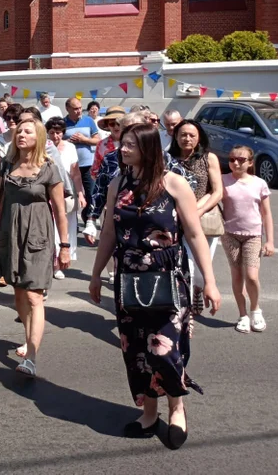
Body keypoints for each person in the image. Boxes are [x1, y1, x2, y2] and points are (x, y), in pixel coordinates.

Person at [88, 123, 221, 449]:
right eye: (124, 143)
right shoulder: (118, 183)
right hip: (129, 280)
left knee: (166, 349)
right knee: (136, 350)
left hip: (169, 277)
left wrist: (211, 281)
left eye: (131, 144)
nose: (124, 149)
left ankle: (177, 409)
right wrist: (95, 275)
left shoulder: (173, 184)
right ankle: (149, 412)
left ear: (148, 147)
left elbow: (193, 234)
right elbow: (108, 233)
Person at [0, 119, 69, 378]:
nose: (21, 134)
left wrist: (64, 245)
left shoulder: (49, 168)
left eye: (27, 131)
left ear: (39, 137)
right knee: (18, 292)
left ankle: (31, 356)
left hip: (38, 237)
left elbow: (60, 211)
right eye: (19, 130)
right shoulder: (6, 165)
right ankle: (27, 336)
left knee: (34, 296)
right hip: (11, 235)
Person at [169, 120, 223, 315]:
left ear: (199, 137)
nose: (187, 139)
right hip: (176, 221)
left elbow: (217, 192)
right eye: (183, 134)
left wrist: (196, 211)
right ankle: (187, 310)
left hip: (203, 220)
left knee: (201, 268)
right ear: (175, 136)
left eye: (192, 135)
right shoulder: (168, 159)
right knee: (187, 267)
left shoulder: (209, 158)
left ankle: (198, 289)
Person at [221, 145, 274, 333]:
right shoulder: (222, 181)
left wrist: (270, 241)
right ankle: (242, 315)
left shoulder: (259, 183)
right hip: (229, 234)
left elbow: (266, 214)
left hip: (253, 234)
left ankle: (255, 310)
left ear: (250, 162)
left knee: (251, 276)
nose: (236, 163)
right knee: (237, 275)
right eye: (232, 159)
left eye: (241, 160)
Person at [45, 118, 87, 279]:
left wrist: (81, 194)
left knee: (66, 229)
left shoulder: (70, 147)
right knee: (52, 229)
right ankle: (53, 263)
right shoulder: (43, 148)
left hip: (67, 193)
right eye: (52, 132)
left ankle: (60, 262)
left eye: (59, 132)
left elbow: (76, 174)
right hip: (49, 194)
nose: (56, 136)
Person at [64, 97, 101, 240]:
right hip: (70, 166)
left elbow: (97, 140)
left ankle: (88, 223)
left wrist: (84, 140)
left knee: (90, 194)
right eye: (75, 108)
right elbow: (56, 141)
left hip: (87, 165)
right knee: (70, 195)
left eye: (80, 107)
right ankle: (71, 224)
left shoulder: (89, 121)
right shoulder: (63, 122)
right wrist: (67, 141)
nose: (79, 111)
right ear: (68, 109)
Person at [90, 106, 126, 181]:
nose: (116, 127)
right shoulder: (101, 144)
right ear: (107, 125)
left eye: (119, 124)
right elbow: (95, 170)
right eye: (112, 124)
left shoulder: (132, 142)